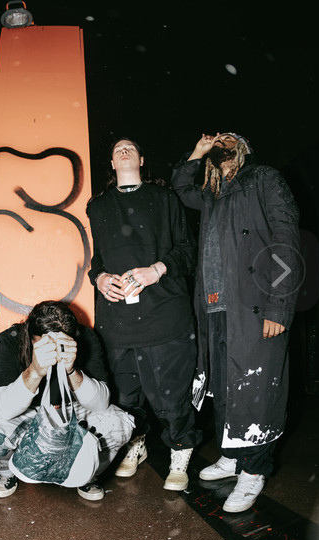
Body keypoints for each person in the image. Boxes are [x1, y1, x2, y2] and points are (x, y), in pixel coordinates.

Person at [171, 132, 302, 512]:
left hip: (255, 307)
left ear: (244, 148)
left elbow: (286, 239)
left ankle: (254, 469)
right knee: (226, 388)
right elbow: (182, 188)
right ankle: (231, 454)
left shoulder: (263, 178)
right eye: (216, 139)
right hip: (215, 307)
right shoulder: (212, 193)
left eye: (229, 138)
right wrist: (196, 152)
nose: (221, 141)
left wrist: (279, 306)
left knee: (257, 390)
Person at [86, 138, 201, 491]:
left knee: (171, 397)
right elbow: (97, 259)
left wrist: (157, 269)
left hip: (164, 316)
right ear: (111, 163)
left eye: (131, 148)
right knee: (123, 397)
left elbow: (187, 250)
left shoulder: (164, 199)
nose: (123, 150)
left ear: (141, 159)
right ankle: (135, 445)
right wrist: (99, 278)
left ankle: (180, 450)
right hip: (117, 323)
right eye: (117, 148)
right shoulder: (98, 207)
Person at [0, 300, 135, 501]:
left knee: (121, 423)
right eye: (44, 344)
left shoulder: (86, 337)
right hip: (26, 415)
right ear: (29, 336)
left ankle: (88, 474)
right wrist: (35, 371)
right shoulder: (8, 340)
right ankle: (7, 471)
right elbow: (5, 409)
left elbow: (100, 404)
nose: (53, 350)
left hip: (72, 412)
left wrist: (72, 371)